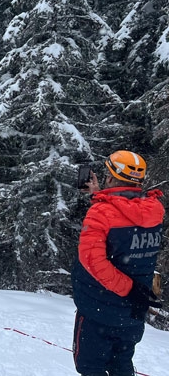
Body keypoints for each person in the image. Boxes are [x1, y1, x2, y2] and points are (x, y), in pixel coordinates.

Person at [72, 150, 163, 376]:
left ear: (111, 178)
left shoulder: (101, 213)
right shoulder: (154, 210)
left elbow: (92, 260)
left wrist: (127, 289)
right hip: (132, 313)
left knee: (91, 368)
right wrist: (99, 195)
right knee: (121, 364)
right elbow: (124, 217)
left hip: (98, 309)